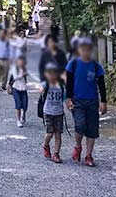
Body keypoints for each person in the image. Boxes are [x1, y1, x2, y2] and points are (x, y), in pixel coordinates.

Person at [66, 37, 107, 167]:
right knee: (80, 125)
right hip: (77, 100)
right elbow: (69, 83)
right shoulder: (73, 64)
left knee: (92, 130)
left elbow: (101, 84)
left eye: (88, 49)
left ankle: (89, 155)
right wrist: (68, 99)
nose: (86, 51)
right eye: (83, 49)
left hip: (92, 100)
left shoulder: (96, 66)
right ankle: (78, 146)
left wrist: (103, 101)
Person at [38, 62, 66, 164]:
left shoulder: (61, 85)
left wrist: (69, 104)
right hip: (48, 112)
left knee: (58, 134)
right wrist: (41, 89)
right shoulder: (46, 84)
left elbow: (65, 97)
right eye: (50, 73)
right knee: (49, 133)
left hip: (59, 112)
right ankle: (45, 144)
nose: (52, 75)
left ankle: (56, 154)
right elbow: (41, 88)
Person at [7, 55, 29, 127]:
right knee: (18, 105)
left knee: (25, 105)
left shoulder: (25, 69)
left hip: (23, 89)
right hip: (16, 89)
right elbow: (13, 78)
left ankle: (24, 115)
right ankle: (18, 120)